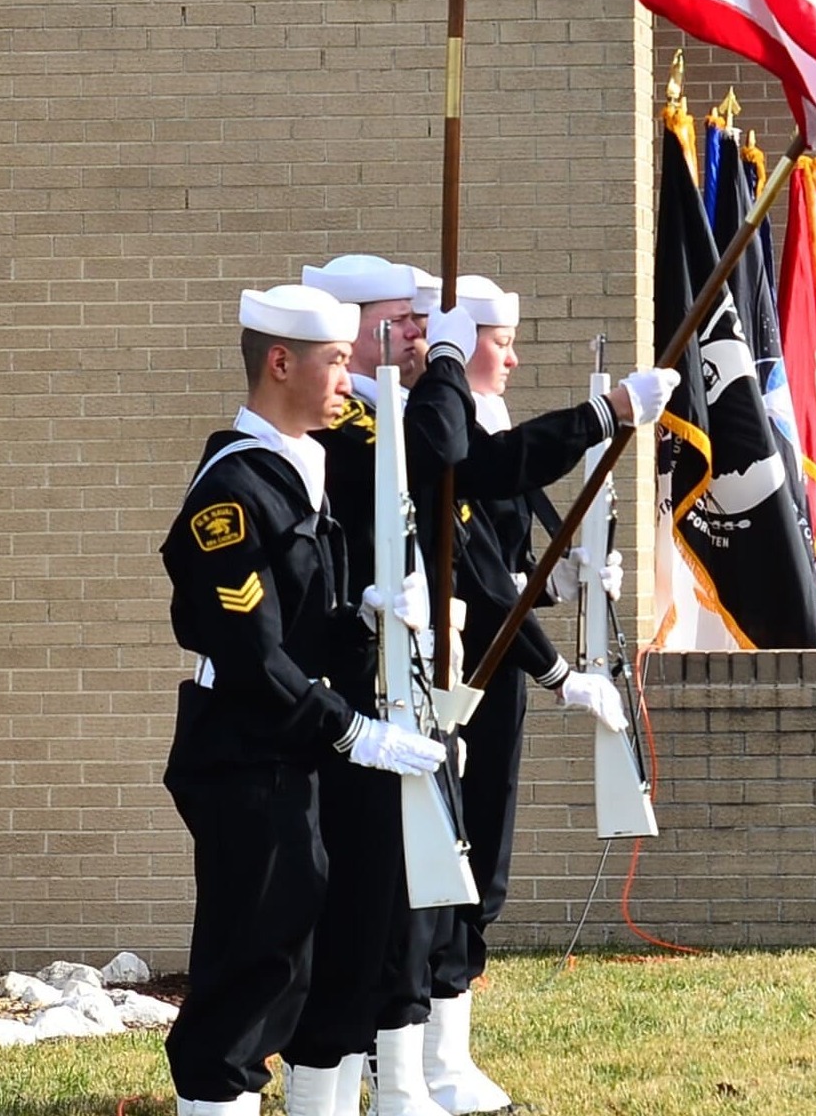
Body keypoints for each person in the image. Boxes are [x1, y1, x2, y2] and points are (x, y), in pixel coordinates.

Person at [161, 284, 446, 1116]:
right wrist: (351, 729)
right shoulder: (233, 492)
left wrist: (364, 618)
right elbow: (250, 652)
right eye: (333, 364)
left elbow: (301, 623)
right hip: (244, 756)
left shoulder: (300, 474)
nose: (348, 382)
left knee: (303, 960)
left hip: (289, 756)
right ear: (279, 363)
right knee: (249, 970)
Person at [422, 273, 675, 1114]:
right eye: (500, 341)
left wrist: (568, 576)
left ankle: (442, 1050)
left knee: (480, 860)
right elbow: (485, 578)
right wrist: (559, 673)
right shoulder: (446, 428)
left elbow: (517, 547)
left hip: (494, 672)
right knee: (450, 862)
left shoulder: (480, 421)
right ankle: (421, 1057)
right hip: (466, 669)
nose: (514, 357)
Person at [282, 254, 476, 1116]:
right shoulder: (351, 420)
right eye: (403, 322)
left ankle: (394, 1075)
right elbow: (435, 446)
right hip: (348, 685)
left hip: (404, 673)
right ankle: (348, 1074)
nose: (418, 336)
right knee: (365, 897)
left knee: (410, 891)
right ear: (357, 330)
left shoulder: (378, 411)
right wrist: (443, 368)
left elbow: (466, 465)